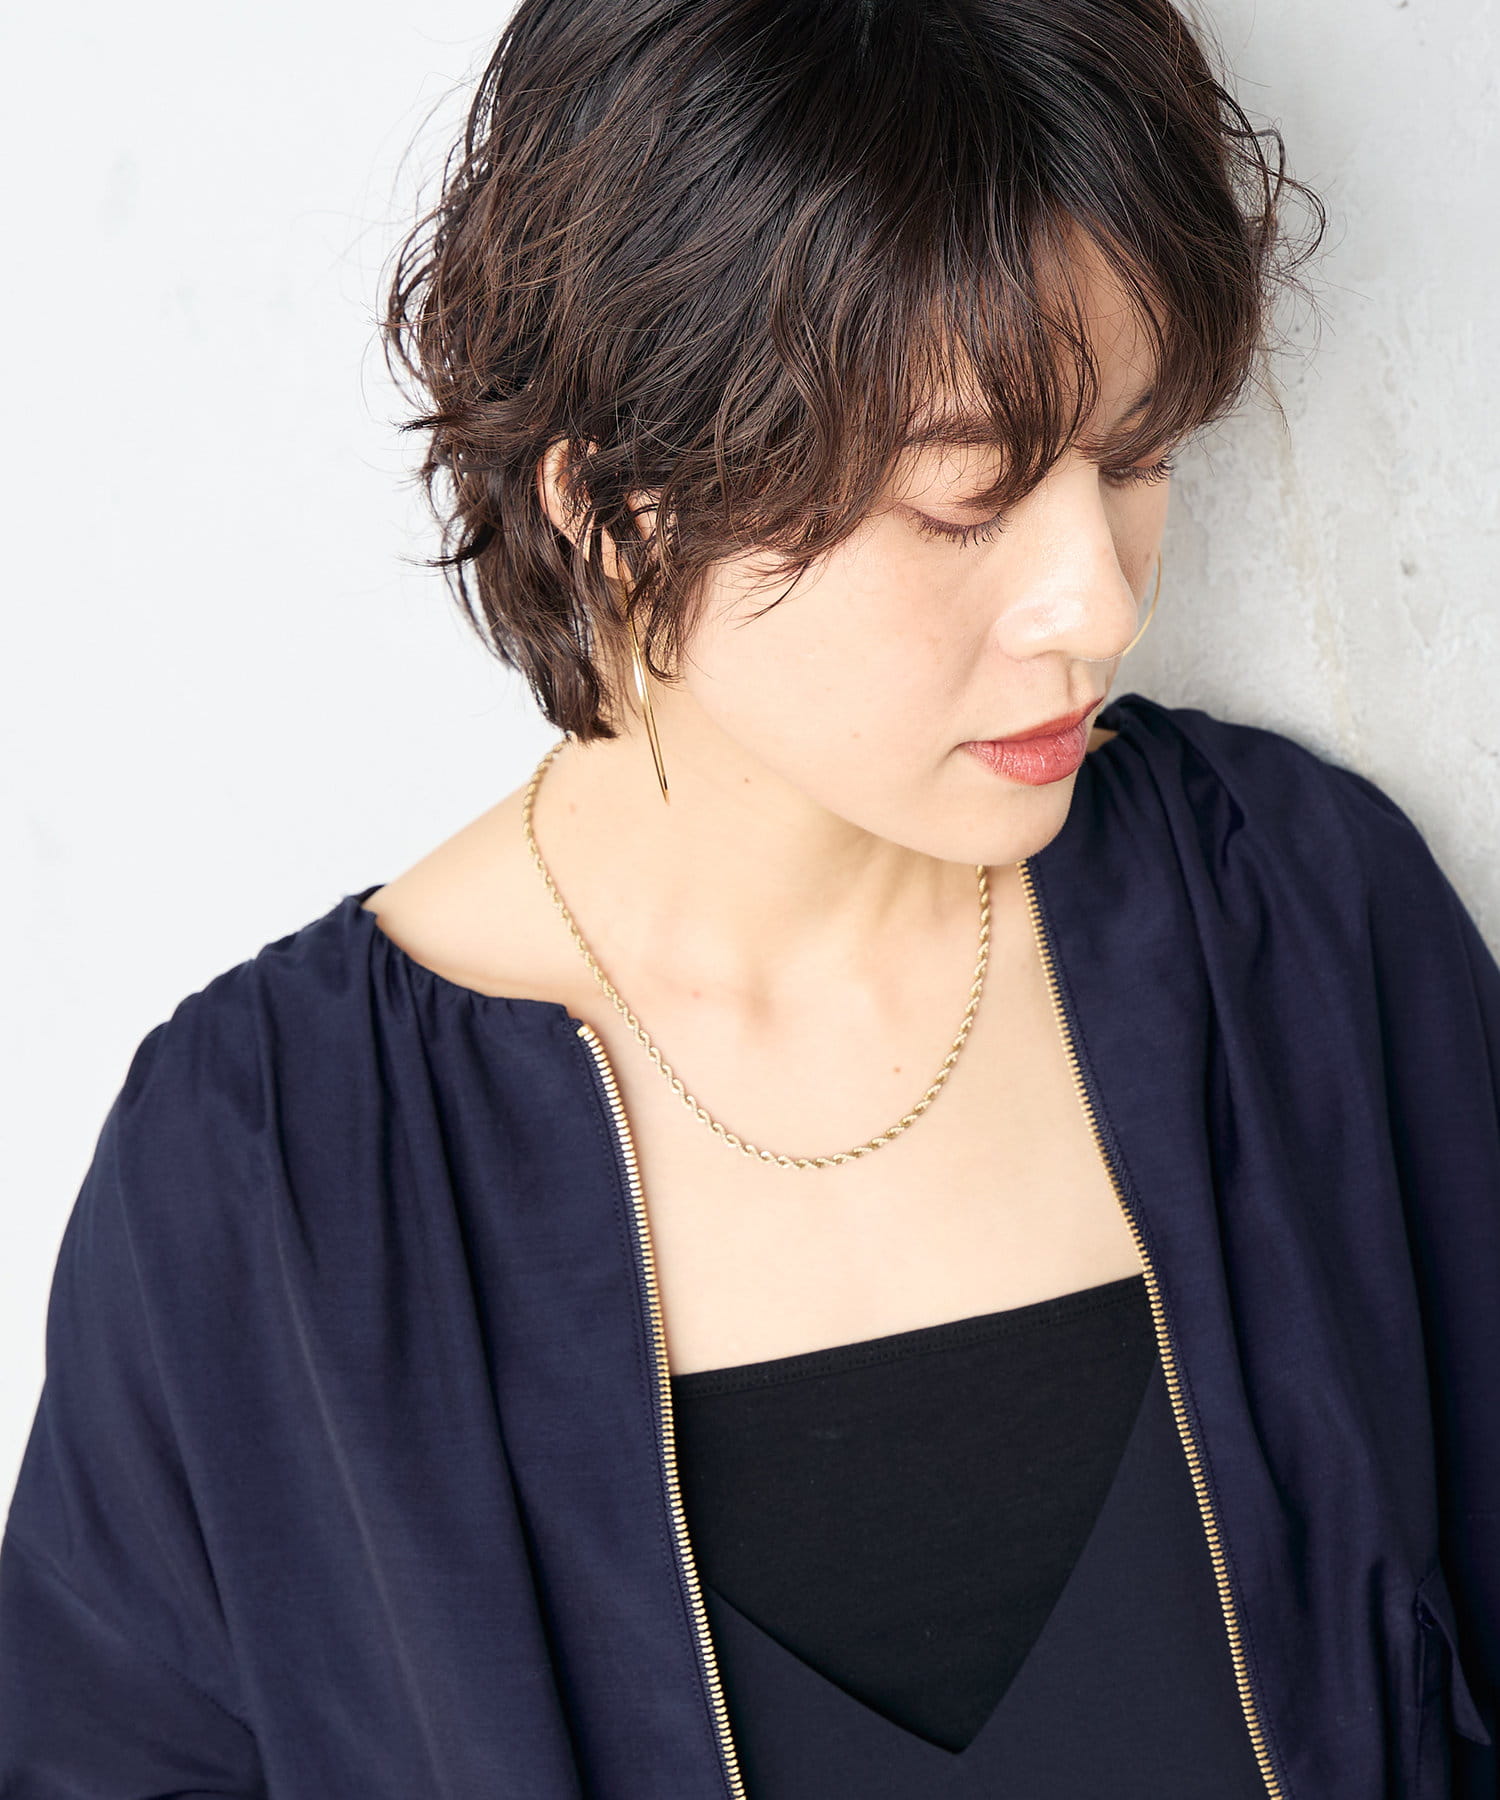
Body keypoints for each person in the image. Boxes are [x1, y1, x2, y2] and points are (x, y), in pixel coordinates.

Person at [2, 0, 1497, 1794]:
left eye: (1137, 455)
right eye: (969, 499)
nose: (1097, 600)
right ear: (620, 507)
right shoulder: (278, 1176)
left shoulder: (1298, 934)